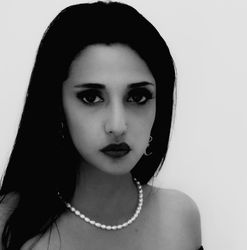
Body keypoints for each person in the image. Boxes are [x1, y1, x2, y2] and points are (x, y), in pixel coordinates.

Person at [0, 1, 203, 249]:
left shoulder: (179, 216)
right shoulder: (7, 221)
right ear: (56, 104)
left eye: (137, 97)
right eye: (91, 97)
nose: (117, 126)